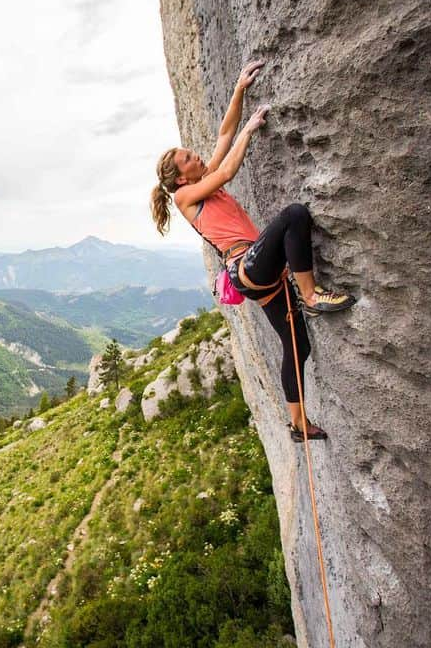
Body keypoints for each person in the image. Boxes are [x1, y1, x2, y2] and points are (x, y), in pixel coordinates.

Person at [149, 59, 355, 442]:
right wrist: (251, 128)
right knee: (294, 215)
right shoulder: (185, 196)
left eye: (193, 154)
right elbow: (227, 169)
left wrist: (240, 88)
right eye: (189, 159)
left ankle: (297, 425)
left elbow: (224, 136)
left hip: (260, 275)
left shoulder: (201, 180)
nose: (197, 156)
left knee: (297, 344)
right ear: (180, 177)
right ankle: (311, 294)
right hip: (248, 265)